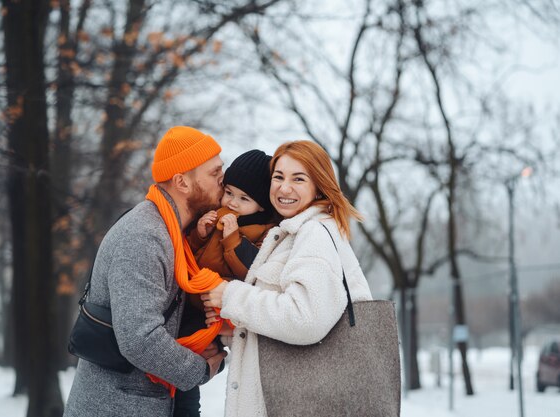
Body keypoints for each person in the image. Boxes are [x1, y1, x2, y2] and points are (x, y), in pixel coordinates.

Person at [64, 126, 228, 417]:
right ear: (183, 182)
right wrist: (201, 369)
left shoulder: (177, 235)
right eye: (215, 173)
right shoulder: (144, 236)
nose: (223, 181)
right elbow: (140, 339)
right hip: (118, 407)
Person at [202, 140, 373, 417]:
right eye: (278, 177)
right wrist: (237, 330)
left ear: (318, 185)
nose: (284, 187)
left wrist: (231, 295)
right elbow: (288, 329)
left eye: (298, 179)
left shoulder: (314, 233)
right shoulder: (292, 234)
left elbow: (305, 318)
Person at [174, 149, 277, 417]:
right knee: (180, 346)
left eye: (244, 199)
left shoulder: (262, 233)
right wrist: (200, 233)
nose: (232, 202)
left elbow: (251, 271)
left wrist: (233, 239)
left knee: (198, 351)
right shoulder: (214, 213)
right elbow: (190, 254)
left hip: (218, 307)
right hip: (193, 296)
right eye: (229, 192)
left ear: (262, 206)